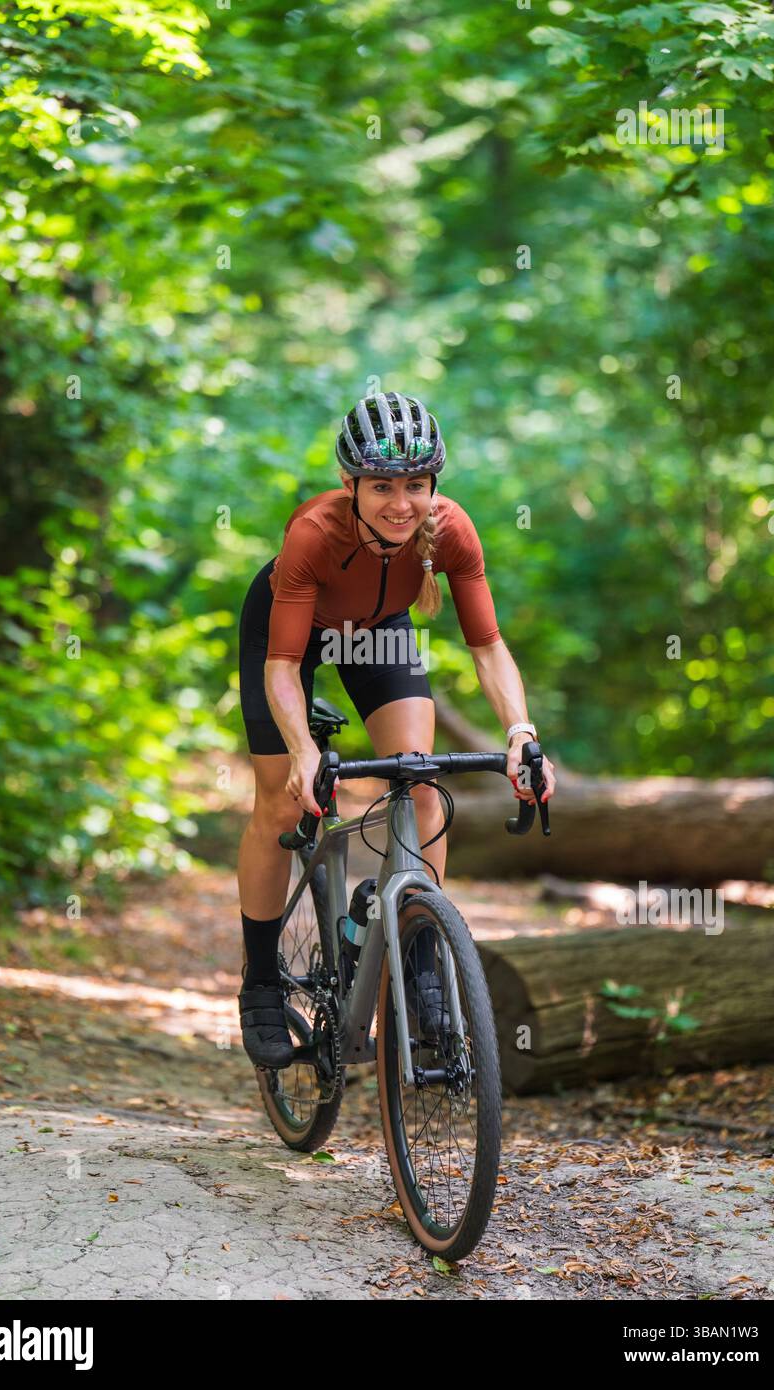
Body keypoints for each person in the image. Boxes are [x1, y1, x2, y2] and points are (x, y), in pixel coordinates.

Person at [236, 391, 556, 1067]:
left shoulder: (451, 529)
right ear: (349, 484)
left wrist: (520, 733)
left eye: (415, 484)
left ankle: (418, 958)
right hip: (290, 637)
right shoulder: (314, 534)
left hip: (379, 636)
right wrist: (300, 750)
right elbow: (284, 665)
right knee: (281, 802)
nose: (400, 503)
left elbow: (487, 647)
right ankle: (262, 983)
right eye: (381, 485)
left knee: (420, 780)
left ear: (433, 483)